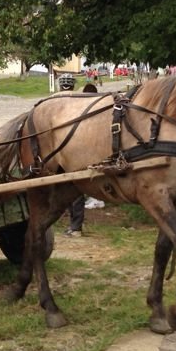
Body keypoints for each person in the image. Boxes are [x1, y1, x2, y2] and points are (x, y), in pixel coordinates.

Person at [63, 82, 101, 237]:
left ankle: (76, 227)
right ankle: (74, 226)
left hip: (82, 159)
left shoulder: (90, 115)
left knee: (76, 192)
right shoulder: (88, 113)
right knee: (72, 193)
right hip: (79, 157)